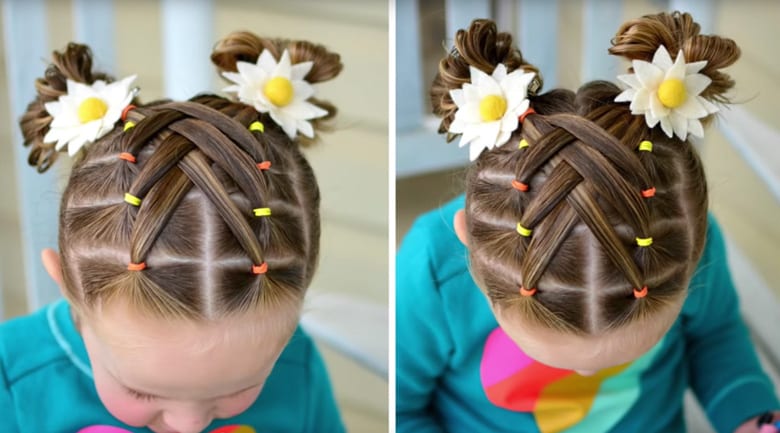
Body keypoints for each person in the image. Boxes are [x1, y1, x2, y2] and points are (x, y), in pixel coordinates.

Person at [396, 13, 780, 433]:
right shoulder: (432, 272)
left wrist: (750, 417)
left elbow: (715, 337)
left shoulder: (675, 235)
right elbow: (402, 410)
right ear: (469, 243)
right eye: (553, 359)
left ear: (695, 244)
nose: (583, 377)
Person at [0, 31, 345, 433]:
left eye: (238, 389)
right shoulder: (12, 376)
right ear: (67, 283)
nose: (188, 426)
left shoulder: (296, 363)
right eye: (142, 392)